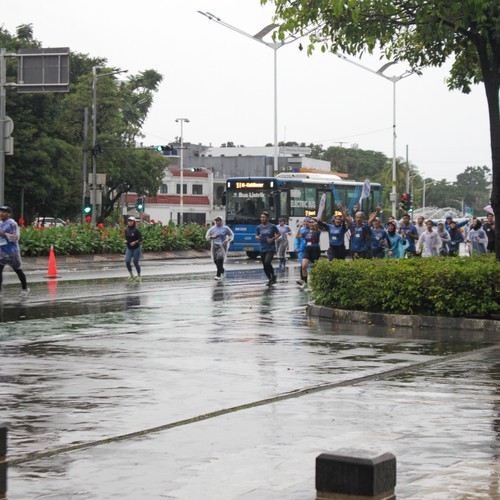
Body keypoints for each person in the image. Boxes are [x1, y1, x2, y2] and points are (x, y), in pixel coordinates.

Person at [0, 205, 30, 297]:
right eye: (0, 211)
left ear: (9, 214)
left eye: (4, 212)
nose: (1, 213)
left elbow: (16, 237)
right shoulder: (0, 223)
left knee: (18, 270)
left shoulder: (12, 224)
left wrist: (4, 234)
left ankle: (25, 288)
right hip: (2, 252)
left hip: (12, 252)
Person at [295, 218, 321, 288]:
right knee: (304, 266)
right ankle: (305, 282)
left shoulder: (317, 231)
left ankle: (315, 282)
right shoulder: (305, 232)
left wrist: (316, 225)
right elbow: (297, 236)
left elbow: (317, 229)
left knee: (313, 267)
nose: (311, 224)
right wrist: (299, 227)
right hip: (307, 249)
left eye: (312, 222)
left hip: (315, 249)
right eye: (310, 222)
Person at [255, 211, 280, 286]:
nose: (262, 219)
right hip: (263, 247)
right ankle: (270, 279)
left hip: (270, 248)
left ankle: (273, 275)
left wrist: (272, 239)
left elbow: (278, 234)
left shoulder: (272, 226)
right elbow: (257, 235)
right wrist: (257, 237)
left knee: (267, 262)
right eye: (261, 217)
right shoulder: (259, 227)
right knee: (264, 265)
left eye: (264, 217)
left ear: (267, 218)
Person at [205, 216, 234, 280]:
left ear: (221, 221)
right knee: (215, 260)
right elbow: (207, 237)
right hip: (214, 246)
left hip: (222, 246)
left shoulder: (225, 228)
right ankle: (222, 270)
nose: (217, 222)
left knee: (220, 259)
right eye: (216, 221)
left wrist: (228, 240)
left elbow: (231, 235)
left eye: (218, 221)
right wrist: (212, 237)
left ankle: (218, 275)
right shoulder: (212, 229)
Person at [125, 216, 143, 281]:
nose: (130, 222)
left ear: (134, 222)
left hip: (136, 248)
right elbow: (127, 238)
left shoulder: (136, 230)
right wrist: (126, 241)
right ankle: (131, 275)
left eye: (131, 221)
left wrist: (135, 242)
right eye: (129, 221)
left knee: (135, 262)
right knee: (127, 261)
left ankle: (139, 275)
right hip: (129, 248)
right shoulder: (126, 230)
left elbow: (140, 238)